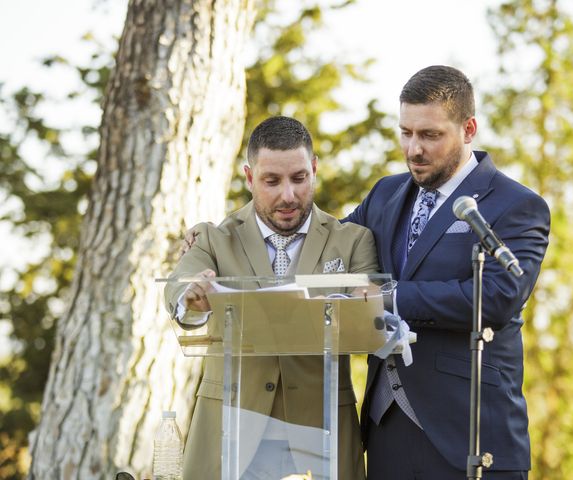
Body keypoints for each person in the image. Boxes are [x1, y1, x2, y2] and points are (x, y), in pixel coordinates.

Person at [343, 65, 551, 479]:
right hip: (387, 430)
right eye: (406, 133)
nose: (413, 149)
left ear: (468, 128)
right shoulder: (385, 193)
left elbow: (496, 295)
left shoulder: (515, 205)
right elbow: (329, 246)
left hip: (471, 435)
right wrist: (218, 242)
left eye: (430, 135)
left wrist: (389, 296)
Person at [164, 116, 378, 479]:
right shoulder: (214, 239)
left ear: (313, 170)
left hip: (321, 435)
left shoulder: (353, 240)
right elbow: (179, 286)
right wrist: (192, 297)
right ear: (249, 177)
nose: (288, 195)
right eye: (271, 181)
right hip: (231, 436)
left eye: (299, 178)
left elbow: (370, 319)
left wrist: (366, 303)